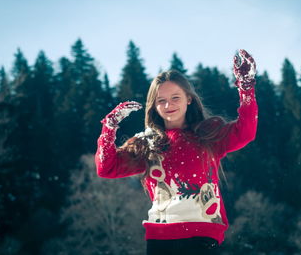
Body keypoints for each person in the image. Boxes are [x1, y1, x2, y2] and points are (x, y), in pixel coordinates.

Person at [95, 49, 259, 255]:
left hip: (203, 232)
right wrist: (109, 127)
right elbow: (106, 168)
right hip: (160, 236)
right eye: (161, 100)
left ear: (188, 99)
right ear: (154, 105)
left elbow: (246, 132)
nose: (168, 105)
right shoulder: (148, 144)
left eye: (175, 97)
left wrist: (246, 90)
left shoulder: (208, 134)